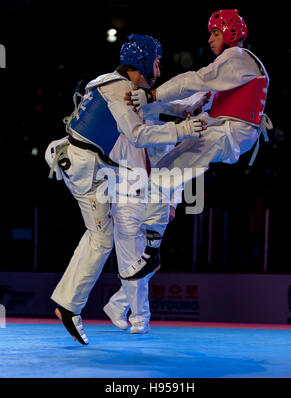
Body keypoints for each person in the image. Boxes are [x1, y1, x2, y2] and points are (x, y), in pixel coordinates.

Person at [45, 34, 207, 344]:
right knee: (102, 239)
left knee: (103, 239)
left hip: (91, 166)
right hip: (86, 169)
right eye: (156, 61)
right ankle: (69, 307)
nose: (159, 68)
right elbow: (137, 134)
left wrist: (194, 102)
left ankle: (70, 305)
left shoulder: (119, 86)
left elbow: (153, 105)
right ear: (144, 61)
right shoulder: (117, 89)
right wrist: (184, 128)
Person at [119, 9, 273, 281]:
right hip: (225, 131)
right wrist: (151, 104)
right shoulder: (227, 72)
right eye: (211, 34)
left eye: (215, 33)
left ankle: (151, 250)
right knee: (163, 172)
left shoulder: (236, 56)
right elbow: (190, 100)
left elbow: (193, 80)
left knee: (164, 175)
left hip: (231, 132)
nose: (211, 39)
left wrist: (151, 94)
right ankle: (152, 247)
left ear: (230, 34)